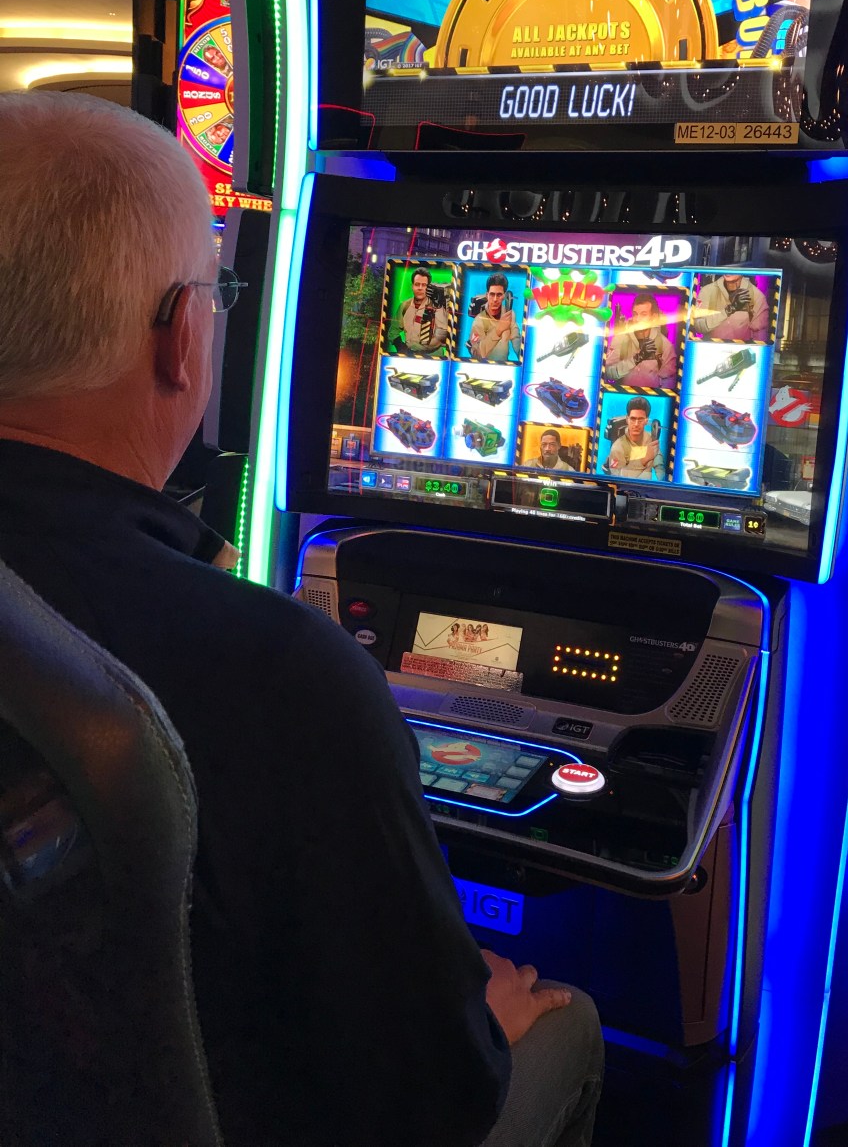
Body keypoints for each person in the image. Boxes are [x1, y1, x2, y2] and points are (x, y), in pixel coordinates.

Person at [0, 93, 602, 1147]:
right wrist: (487, 1030)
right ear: (184, 337)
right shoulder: (274, 671)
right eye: (217, 293)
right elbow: (424, 1099)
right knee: (568, 1027)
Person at [603, 291, 677, 387]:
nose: (637, 319)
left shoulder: (665, 346)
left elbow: (669, 385)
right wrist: (636, 359)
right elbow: (607, 373)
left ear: (654, 318)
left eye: (643, 314)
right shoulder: (620, 339)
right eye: (635, 314)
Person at [693, 273, 769, 342]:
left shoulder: (756, 296)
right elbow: (699, 326)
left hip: (742, 351)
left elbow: (760, 339)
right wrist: (729, 310)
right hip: (709, 350)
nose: (729, 271)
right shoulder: (707, 291)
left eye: (736, 266)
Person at [393, 265, 450, 356]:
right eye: (417, 284)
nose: (420, 288)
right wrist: (400, 346)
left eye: (424, 285)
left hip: (434, 358)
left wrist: (438, 306)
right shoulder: (404, 306)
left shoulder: (438, 307)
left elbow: (444, 336)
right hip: (410, 357)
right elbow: (393, 331)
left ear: (429, 288)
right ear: (412, 286)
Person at [605, 396, 665, 480]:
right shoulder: (618, 447)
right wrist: (644, 460)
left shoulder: (651, 440)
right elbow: (616, 476)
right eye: (633, 419)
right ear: (627, 419)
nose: (636, 424)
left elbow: (661, 471)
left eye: (640, 419)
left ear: (646, 420)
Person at [469, 274, 521, 361]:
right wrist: (498, 331)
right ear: (487, 295)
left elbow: (516, 339)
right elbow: (477, 354)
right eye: (492, 294)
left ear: (504, 296)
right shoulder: (479, 320)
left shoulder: (510, 315)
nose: (495, 299)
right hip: (484, 366)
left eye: (499, 295)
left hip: (505, 366)